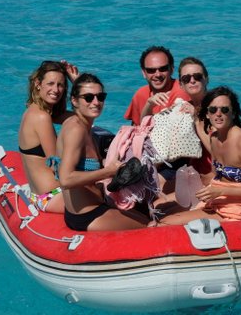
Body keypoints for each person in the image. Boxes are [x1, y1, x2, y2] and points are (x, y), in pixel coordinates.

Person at [155, 86, 241, 225]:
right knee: (160, 215)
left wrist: (220, 190)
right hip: (220, 201)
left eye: (224, 110)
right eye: (213, 110)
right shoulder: (214, 138)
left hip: (239, 207)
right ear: (207, 114)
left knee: (165, 224)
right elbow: (217, 173)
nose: (218, 114)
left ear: (233, 113)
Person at [55, 73, 149, 231]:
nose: (96, 102)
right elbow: (66, 179)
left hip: (88, 208)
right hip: (88, 215)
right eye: (88, 97)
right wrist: (108, 171)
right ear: (74, 101)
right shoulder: (76, 130)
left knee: (145, 213)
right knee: (151, 225)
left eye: (101, 96)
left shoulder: (81, 125)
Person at [18, 60, 78, 213]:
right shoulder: (42, 117)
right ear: (38, 84)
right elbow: (57, 166)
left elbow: (83, 116)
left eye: (60, 85)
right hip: (53, 196)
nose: (56, 90)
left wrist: (77, 83)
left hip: (40, 194)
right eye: (50, 83)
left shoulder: (35, 111)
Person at [124, 45, 190, 125]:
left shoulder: (181, 93)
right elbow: (136, 126)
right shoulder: (140, 94)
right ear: (144, 73)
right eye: (151, 70)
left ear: (172, 69)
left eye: (163, 69)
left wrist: (148, 105)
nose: (158, 74)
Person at [177, 56, 212, 176]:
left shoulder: (217, 106)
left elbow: (220, 150)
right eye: (186, 78)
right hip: (194, 170)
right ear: (181, 84)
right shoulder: (185, 107)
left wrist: (196, 117)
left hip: (214, 173)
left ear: (206, 79)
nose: (192, 81)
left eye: (197, 77)